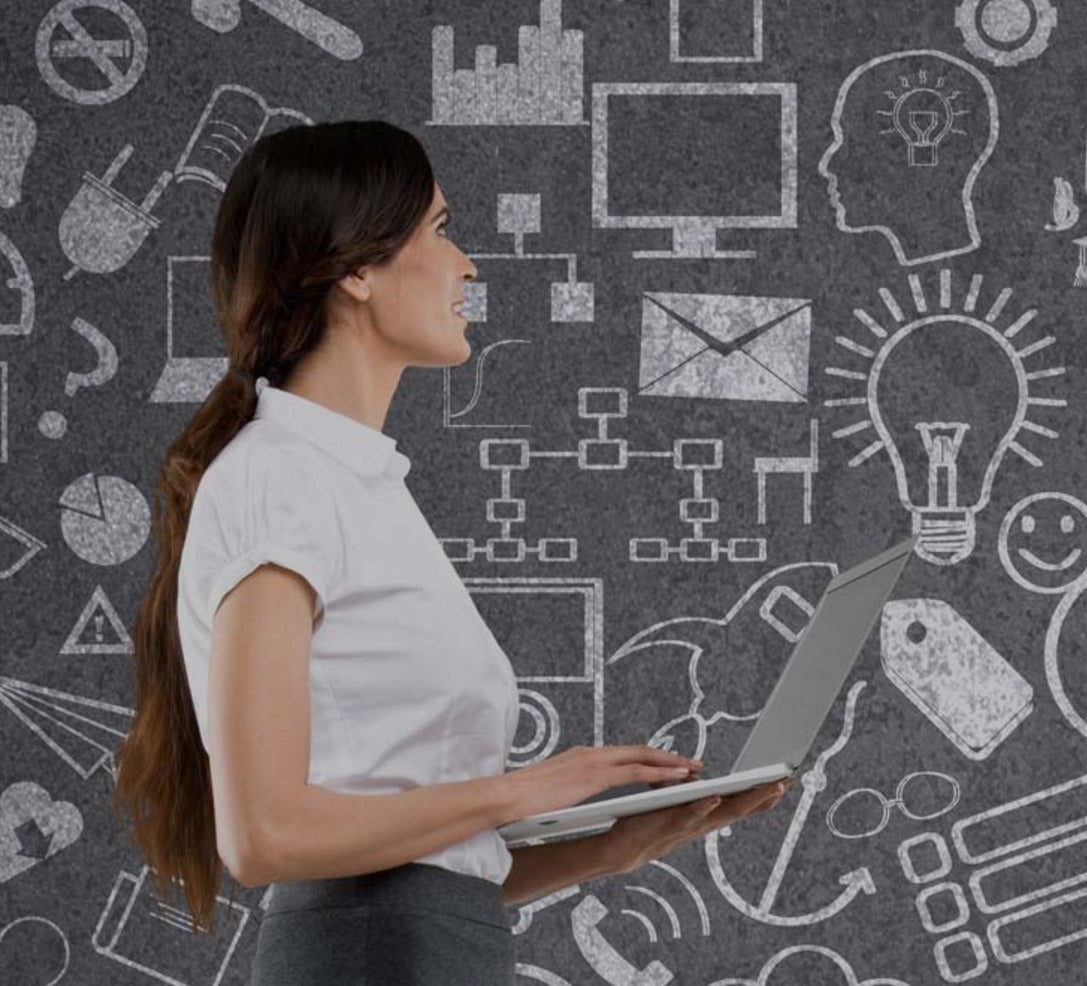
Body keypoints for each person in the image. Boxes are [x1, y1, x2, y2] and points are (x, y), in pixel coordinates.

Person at [112, 119, 791, 984]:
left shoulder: (362, 489)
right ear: (357, 267)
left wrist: (614, 846)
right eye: (439, 229)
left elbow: (426, 873)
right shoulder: (277, 480)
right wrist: (527, 790)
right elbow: (265, 836)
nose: (466, 263)